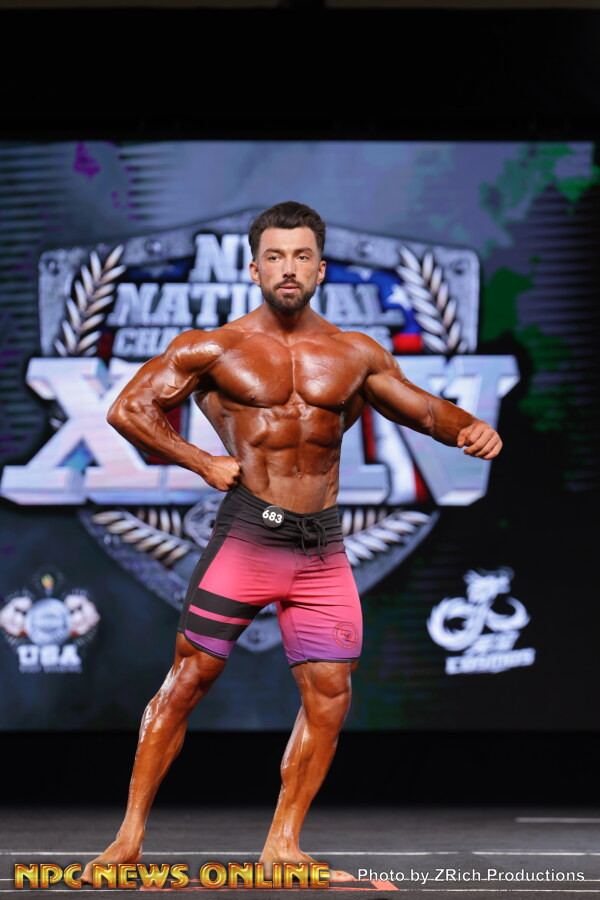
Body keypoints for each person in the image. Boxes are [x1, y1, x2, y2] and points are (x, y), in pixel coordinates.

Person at [81, 201, 502, 884]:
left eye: (301, 256)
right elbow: (127, 409)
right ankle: (127, 839)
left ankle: (283, 845)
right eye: (275, 256)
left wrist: (467, 428)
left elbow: (424, 409)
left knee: (331, 694)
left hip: (321, 549)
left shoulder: (355, 353)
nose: (288, 267)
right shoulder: (213, 348)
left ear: (320, 268)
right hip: (248, 536)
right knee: (188, 680)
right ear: (254, 269)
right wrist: (201, 461)